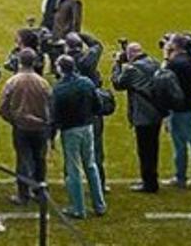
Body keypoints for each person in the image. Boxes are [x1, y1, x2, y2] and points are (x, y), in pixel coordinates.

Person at [51, 55, 105, 219]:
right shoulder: (87, 82)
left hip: (70, 131)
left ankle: (78, 208)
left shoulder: (59, 89)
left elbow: (55, 116)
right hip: (87, 127)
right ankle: (99, 205)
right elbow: (98, 104)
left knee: (73, 169)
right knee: (91, 165)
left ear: (60, 68)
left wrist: (51, 136)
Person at [0, 48, 51, 206]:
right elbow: (50, 105)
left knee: (23, 159)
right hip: (40, 128)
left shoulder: (13, 81)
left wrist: (13, 120)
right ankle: (39, 191)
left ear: (20, 61)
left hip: (21, 127)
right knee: (40, 160)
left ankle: (23, 194)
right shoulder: (43, 83)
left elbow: (2, 108)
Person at [111, 42, 164, 193]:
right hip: (156, 112)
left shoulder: (131, 69)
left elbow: (118, 84)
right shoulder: (155, 63)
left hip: (142, 114)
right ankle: (152, 179)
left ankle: (149, 183)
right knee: (153, 148)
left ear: (129, 54)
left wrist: (117, 64)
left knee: (145, 150)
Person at [63, 32, 107, 190]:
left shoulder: (66, 63)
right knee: (96, 151)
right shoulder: (88, 61)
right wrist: (82, 35)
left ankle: (71, 184)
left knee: (71, 154)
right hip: (91, 111)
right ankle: (100, 184)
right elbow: (97, 46)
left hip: (72, 114)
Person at [165, 35, 191, 189]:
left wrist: (166, 56)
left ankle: (180, 176)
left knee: (180, 145)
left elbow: (163, 77)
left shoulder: (175, 63)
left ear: (175, 46)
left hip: (180, 109)